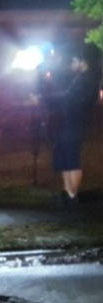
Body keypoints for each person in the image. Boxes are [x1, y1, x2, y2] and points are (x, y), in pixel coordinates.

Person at [43, 44, 101, 207]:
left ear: (83, 61)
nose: (73, 63)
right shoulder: (83, 78)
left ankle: (72, 195)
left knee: (71, 157)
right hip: (69, 121)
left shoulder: (87, 79)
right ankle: (67, 192)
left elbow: (71, 98)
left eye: (76, 60)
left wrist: (48, 99)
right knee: (63, 156)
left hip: (75, 122)